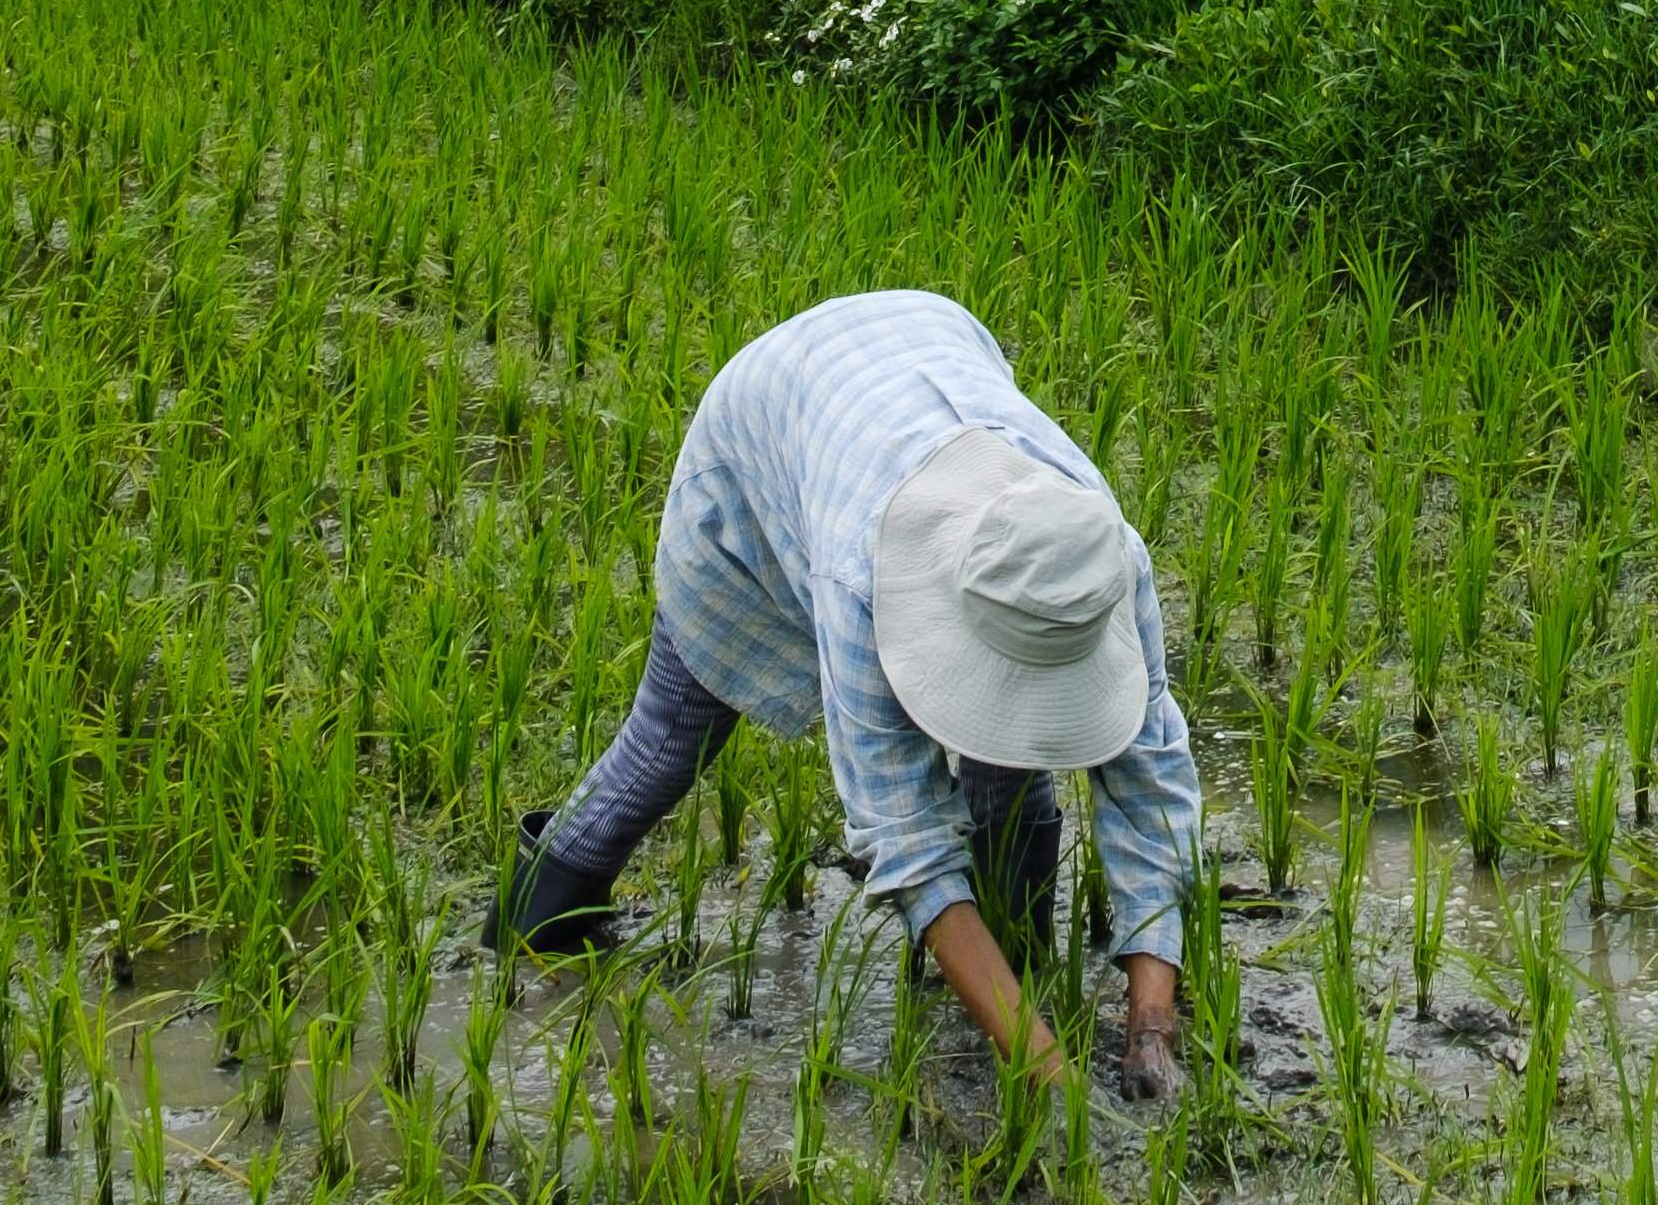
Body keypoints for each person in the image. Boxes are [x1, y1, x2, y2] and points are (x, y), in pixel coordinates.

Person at [489, 288, 1200, 1098]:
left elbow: (1151, 785)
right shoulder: (864, 579)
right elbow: (910, 845)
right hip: (759, 446)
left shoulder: (1102, 561)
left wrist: (1151, 1027)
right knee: (670, 740)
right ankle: (522, 939)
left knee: (1012, 767)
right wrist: (1046, 1071)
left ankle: (1009, 966)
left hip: (924, 348)